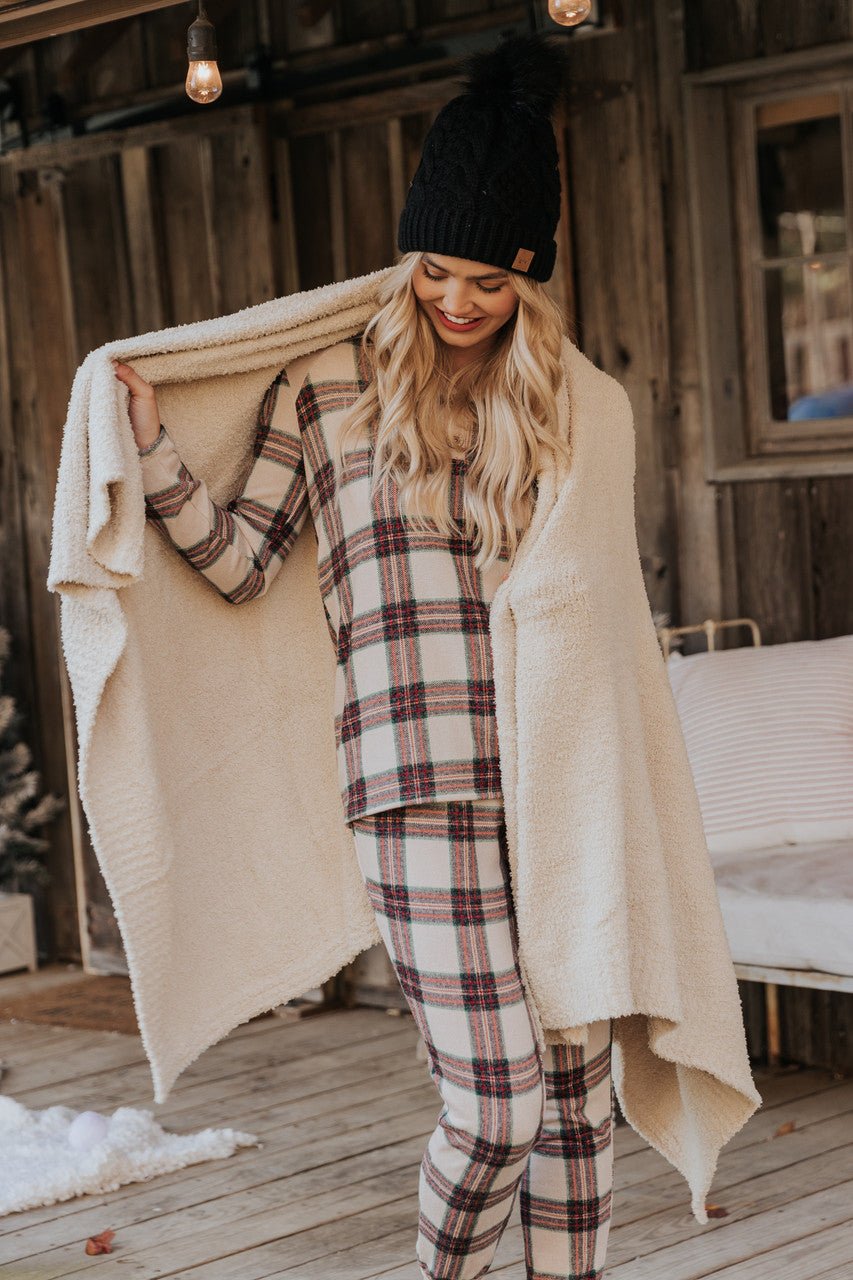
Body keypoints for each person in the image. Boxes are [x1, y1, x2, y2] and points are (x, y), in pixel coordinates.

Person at [112, 31, 614, 1280]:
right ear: (407, 260)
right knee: (496, 1102)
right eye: (438, 270)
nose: (458, 301)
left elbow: (597, 602)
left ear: (528, 280)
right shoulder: (325, 388)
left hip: (554, 783)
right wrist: (154, 453)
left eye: (491, 282)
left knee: (576, 1097)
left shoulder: (559, 405)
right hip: (411, 790)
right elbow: (237, 563)